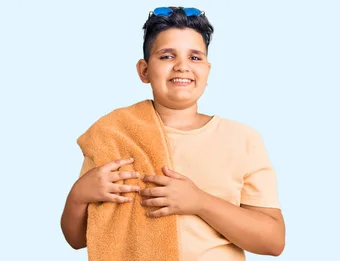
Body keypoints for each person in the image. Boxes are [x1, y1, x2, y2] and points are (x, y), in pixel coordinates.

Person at [60, 6, 285, 260]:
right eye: (167, 56)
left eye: (195, 57)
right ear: (144, 70)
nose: (182, 66)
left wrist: (199, 201)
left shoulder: (242, 139)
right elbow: (78, 239)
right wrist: (78, 196)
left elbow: (273, 241)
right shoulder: (114, 135)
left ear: (207, 71)